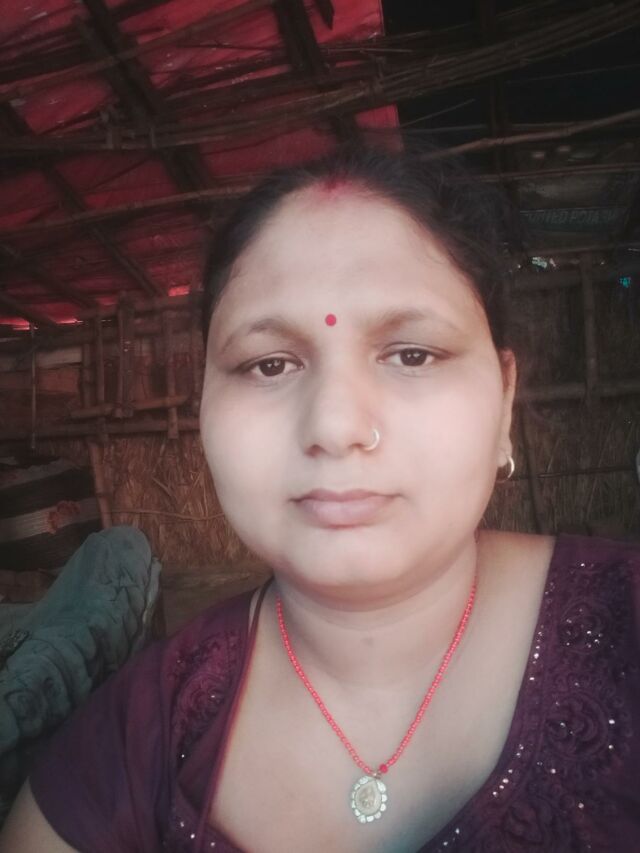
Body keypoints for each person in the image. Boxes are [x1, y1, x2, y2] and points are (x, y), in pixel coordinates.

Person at [1, 143, 639, 853]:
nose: (334, 426)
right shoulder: (132, 739)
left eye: (412, 353)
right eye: (269, 364)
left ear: (505, 399)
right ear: (203, 406)